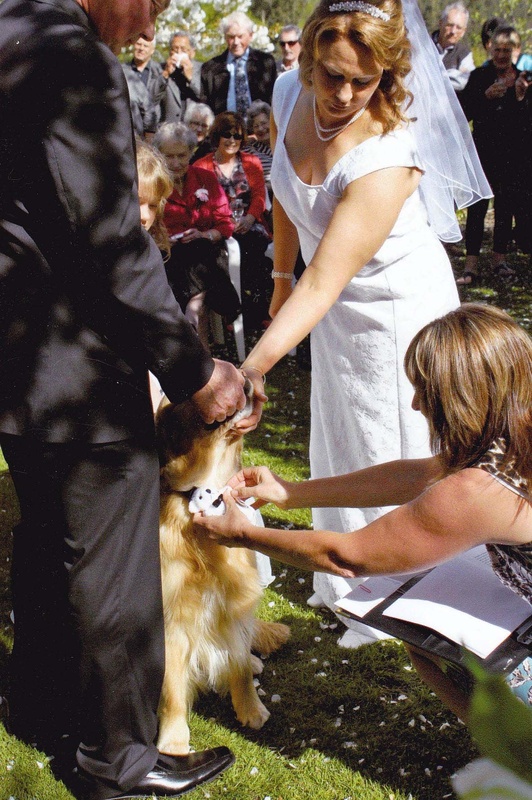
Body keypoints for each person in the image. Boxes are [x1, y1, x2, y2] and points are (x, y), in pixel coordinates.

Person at [0, 1, 255, 799]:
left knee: (47, 535)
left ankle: (41, 707)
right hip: (72, 359)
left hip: (16, 351)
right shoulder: (69, 55)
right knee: (112, 560)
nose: (150, 14)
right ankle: (122, 759)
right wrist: (192, 370)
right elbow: (110, 235)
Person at [219, 0, 490, 648]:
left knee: (397, 437)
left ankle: (415, 583)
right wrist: (279, 283)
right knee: (346, 428)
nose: (340, 94)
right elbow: (286, 196)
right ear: (308, 58)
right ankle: (357, 575)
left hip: (400, 307)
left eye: (360, 82)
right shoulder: (289, 91)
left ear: (387, 77)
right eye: (330, 75)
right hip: (330, 304)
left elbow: (327, 279)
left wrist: (251, 367)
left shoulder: (389, 150)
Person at [195, 303, 532, 720]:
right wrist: (291, 492)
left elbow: (345, 556)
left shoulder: (479, 490)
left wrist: (241, 534)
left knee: (428, 642)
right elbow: (422, 474)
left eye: (424, 392)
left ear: (458, 399)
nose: (414, 405)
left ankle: (517, 762)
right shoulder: (513, 434)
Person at [153, 122, 241, 348]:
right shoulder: (153, 184)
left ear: (191, 152)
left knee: (199, 251)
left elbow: (225, 223)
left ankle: (194, 305)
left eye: (181, 156)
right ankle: (199, 302)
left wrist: (204, 234)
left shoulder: (205, 178)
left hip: (207, 251)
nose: (175, 163)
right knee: (184, 262)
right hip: (170, 256)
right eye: (168, 156)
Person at [457, 26, 532, 286]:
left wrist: (521, 97)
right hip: (483, 153)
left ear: (517, 51)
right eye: (497, 49)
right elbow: (463, 113)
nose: (501, 55)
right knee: (477, 208)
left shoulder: (525, 78)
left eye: (507, 50)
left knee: (505, 208)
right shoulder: (480, 76)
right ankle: (471, 266)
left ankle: (499, 260)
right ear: (490, 48)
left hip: (514, 156)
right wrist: (484, 97)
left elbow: (527, 123)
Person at [195, 112, 272, 333]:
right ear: (217, 137)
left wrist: (249, 218)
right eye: (226, 135)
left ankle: (254, 312)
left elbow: (259, 195)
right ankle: (235, 311)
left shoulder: (251, 161)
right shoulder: (201, 166)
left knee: (254, 248)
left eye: (237, 136)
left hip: (248, 223)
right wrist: (222, 223)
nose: (232, 141)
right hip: (219, 226)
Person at [200, 11, 277, 116]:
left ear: (250, 36)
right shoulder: (211, 68)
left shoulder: (265, 63)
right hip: (226, 127)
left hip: (260, 128)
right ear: (225, 37)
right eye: (231, 37)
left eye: (240, 36)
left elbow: (273, 99)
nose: (236, 42)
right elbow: (206, 106)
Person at [122, 36, 167, 138]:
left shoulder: (161, 72)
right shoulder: (122, 70)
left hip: (151, 131)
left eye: (145, 46)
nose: (141, 48)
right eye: (138, 44)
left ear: (152, 50)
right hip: (128, 129)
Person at [431, 2, 474, 92]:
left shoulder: (465, 54)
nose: (453, 31)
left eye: (458, 27)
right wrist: (451, 74)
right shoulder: (424, 46)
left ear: (463, 31)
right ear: (440, 23)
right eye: (450, 25)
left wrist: (431, 75)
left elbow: (462, 82)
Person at [161, 31, 202, 123]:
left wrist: (191, 78)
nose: (179, 53)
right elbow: (152, 98)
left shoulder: (202, 70)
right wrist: (166, 74)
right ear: (170, 51)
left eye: (183, 50)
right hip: (168, 129)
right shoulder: (161, 69)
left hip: (193, 128)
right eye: (175, 49)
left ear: (192, 52)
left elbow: (205, 98)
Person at [245, 100, 274, 200]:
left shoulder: (286, 145)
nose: (260, 129)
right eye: (256, 126)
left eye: (264, 123)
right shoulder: (250, 149)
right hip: (266, 197)